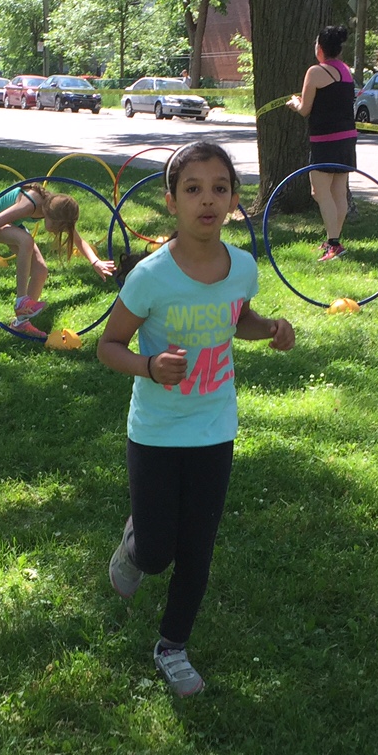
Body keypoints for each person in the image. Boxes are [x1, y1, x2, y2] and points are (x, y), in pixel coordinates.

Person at [96, 142, 296, 697]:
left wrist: (270, 328)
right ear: (171, 202)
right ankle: (136, 545)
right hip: (156, 433)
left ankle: (173, 645)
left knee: (197, 549)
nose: (207, 200)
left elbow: (238, 319)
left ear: (233, 201)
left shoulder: (243, 268)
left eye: (219, 189)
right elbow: (108, 345)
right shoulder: (150, 277)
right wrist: (148, 366)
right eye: (193, 189)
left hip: (214, 428)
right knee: (157, 551)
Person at [0, 183, 115, 333]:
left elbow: (78, 240)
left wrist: (95, 261)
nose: (57, 232)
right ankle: (21, 302)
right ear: (49, 216)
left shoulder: (55, 209)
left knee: (40, 271)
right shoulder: (29, 205)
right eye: (58, 228)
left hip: (11, 223)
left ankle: (20, 323)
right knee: (26, 241)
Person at [289, 24, 357, 262]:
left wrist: (294, 103)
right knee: (338, 191)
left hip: (325, 140)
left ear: (320, 48)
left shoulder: (315, 72)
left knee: (319, 191)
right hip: (347, 138)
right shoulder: (346, 71)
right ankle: (332, 240)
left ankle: (334, 245)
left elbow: (305, 109)